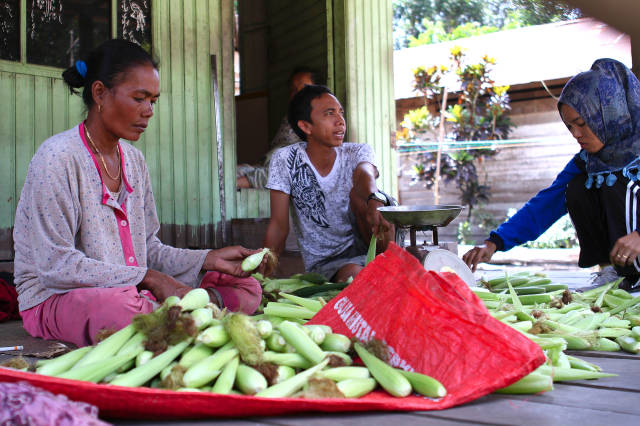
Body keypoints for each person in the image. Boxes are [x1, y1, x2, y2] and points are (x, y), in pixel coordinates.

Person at [13, 39, 265, 347]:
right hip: (58, 299)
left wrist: (208, 259)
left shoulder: (133, 161)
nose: (148, 112)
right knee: (119, 309)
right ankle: (187, 315)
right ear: (99, 93)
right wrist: (149, 278)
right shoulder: (58, 157)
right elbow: (56, 266)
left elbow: (148, 250)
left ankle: (180, 315)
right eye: (139, 98)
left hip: (130, 289)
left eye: (153, 101)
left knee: (246, 286)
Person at [462, 58, 640, 291]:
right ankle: (612, 273)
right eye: (570, 127)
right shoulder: (586, 162)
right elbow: (545, 204)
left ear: (609, 113)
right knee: (576, 186)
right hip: (622, 262)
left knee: (619, 184)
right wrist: (494, 243)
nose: (576, 134)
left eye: (581, 123)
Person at [264, 84, 395, 282]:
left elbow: (364, 173)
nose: (340, 121)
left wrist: (373, 197)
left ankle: (393, 263)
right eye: (329, 113)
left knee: (368, 197)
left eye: (341, 112)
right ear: (306, 126)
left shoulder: (357, 151)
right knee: (357, 276)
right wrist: (263, 274)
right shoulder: (286, 159)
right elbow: (278, 225)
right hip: (329, 265)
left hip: (373, 247)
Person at [236, 67, 318, 189]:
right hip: (268, 167)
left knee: (232, 183)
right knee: (233, 172)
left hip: (286, 171)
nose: (297, 94)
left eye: (304, 89)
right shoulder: (290, 118)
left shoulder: (318, 121)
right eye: (293, 90)